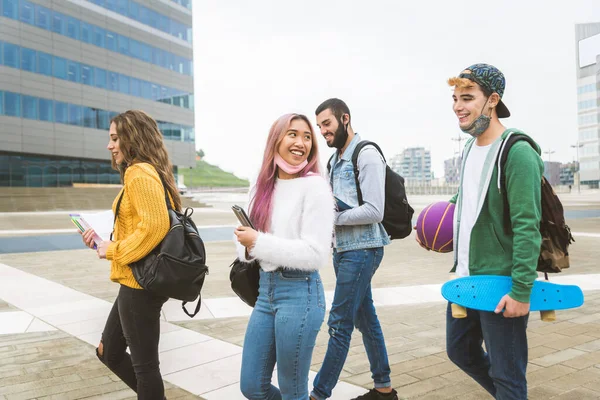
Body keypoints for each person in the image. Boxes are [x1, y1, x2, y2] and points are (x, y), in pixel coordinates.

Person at [443, 64, 543, 399]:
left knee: (508, 374)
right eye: (455, 98)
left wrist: (521, 291)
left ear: (492, 100)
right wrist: (438, 224)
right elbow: (467, 200)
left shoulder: (518, 152)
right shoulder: (470, 148)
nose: (458, 105)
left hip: (501, 283)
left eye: (468, 97)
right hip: (466, 278)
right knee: (460, 351)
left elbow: (528, 227)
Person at [80, 110, 180, 400]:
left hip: (140, 285)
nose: (110, 146)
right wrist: (102, 239)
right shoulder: (148, 171)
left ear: (131, 138)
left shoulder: (140, 172)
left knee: (146, 367)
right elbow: (142, 223)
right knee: (108, 351)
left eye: (114, 138)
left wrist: (112, 249)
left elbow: (155, 226)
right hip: (135, 282)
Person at [234, 113, 334, 400]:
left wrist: (258, 242)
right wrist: (246, 242)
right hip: (265, 292)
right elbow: (243, 246)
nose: (300, 142)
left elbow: (315, 254)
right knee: (252, 385)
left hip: (300, 292)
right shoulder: (261, 187)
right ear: (276, 139)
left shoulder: (314, 187)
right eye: (292, 134)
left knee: (293, 390)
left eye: (306, 136)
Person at [310, 99, 398, 400]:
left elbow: (375, 211)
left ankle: (318, 394)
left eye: (327, 124)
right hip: (344, 250)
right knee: (365, 317)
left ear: (344, 118)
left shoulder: (367, 154)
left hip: (364, 249)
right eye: (320, 125)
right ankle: (384, 388)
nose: (323, 131)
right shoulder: (335, 161)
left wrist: (334, 218)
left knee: (339, 321)